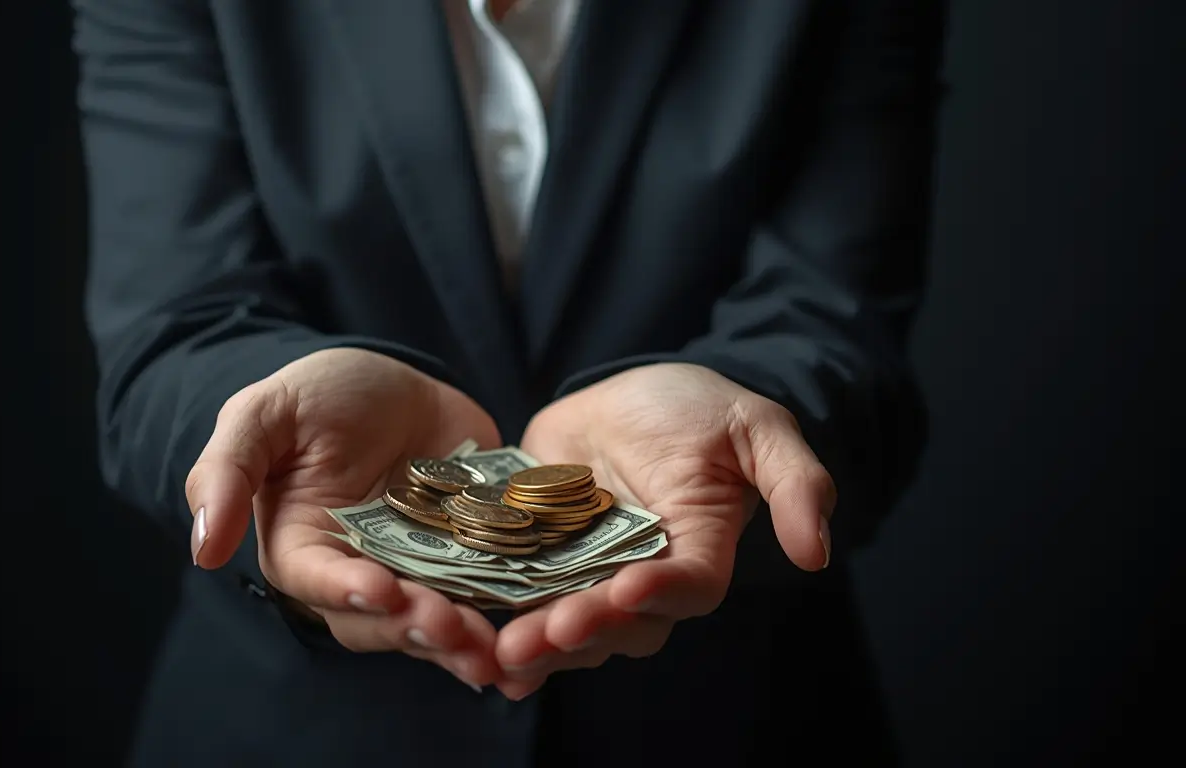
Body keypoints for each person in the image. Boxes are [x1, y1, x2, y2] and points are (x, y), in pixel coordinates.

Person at [72, 0, 945, 765]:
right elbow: (173, 330)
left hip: (730, 717)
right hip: (292, 724)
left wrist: (751, 417)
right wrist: (262, 418)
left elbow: (841, 327)